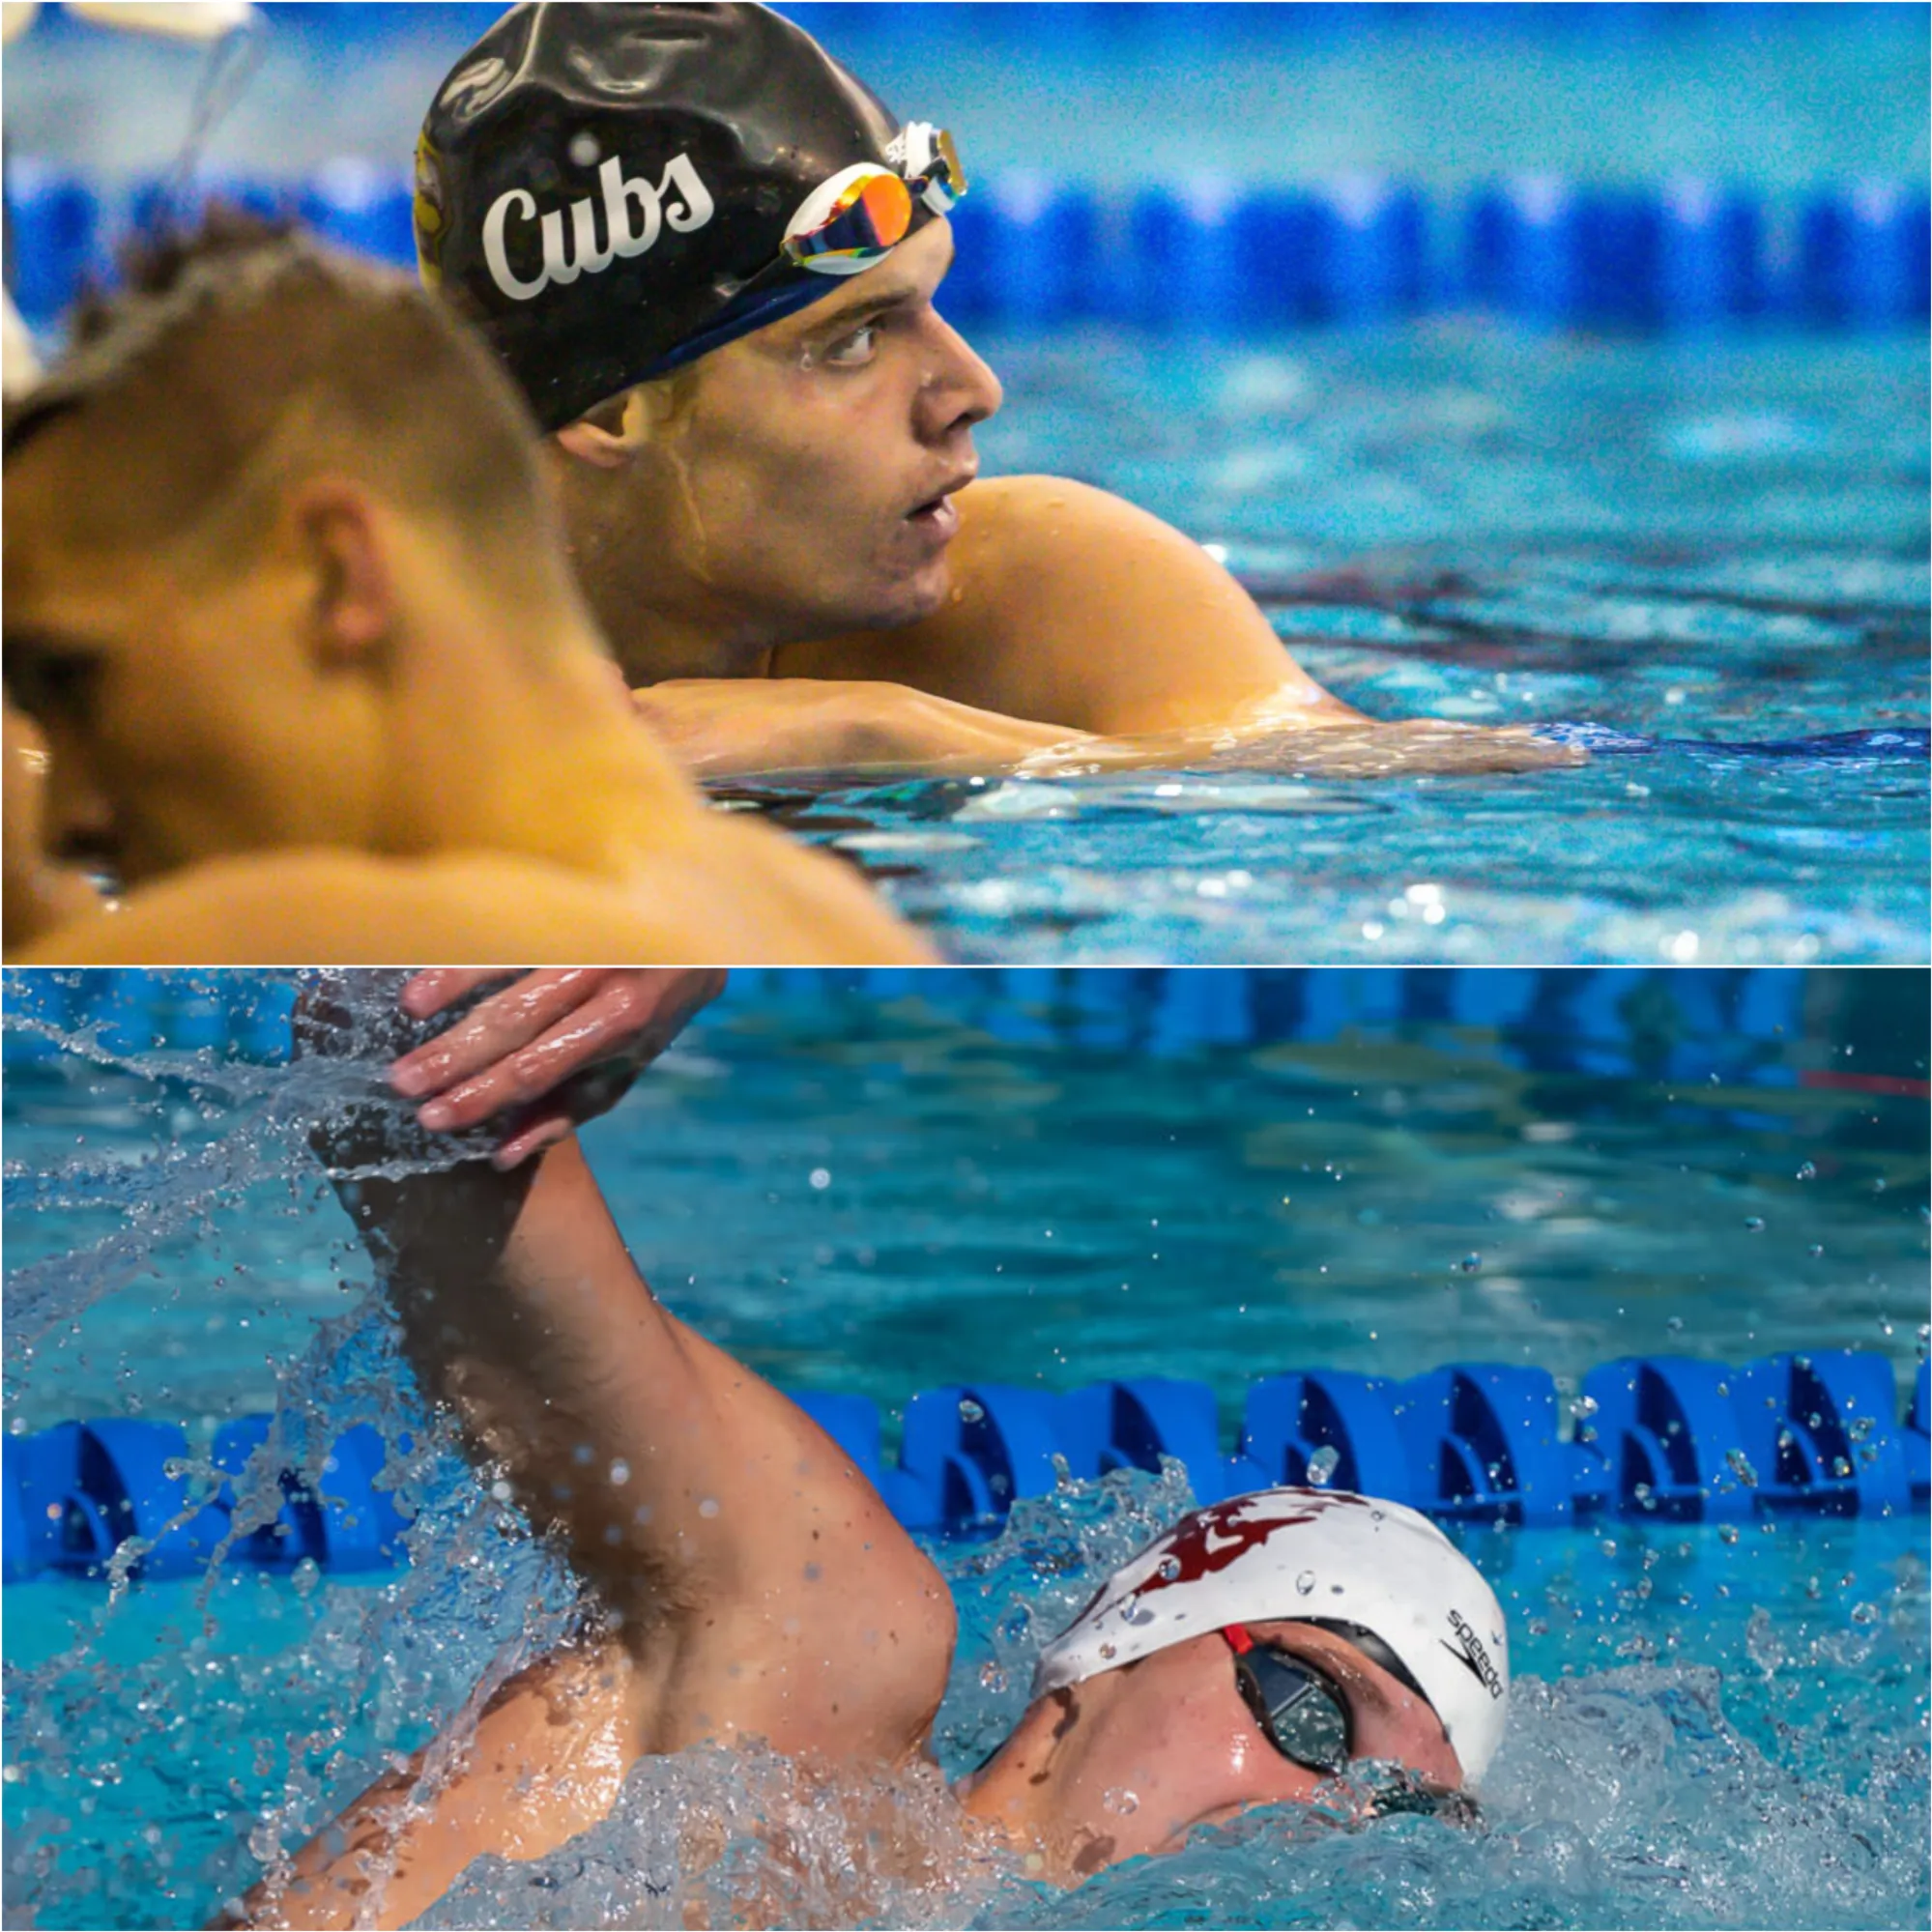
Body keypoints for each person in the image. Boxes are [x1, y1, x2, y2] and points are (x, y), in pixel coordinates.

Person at [232, 968, 1511, 1928]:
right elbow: (393, 1029)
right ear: (1110, 1650)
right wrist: (665, 892)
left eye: (1398, 1818)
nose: (1322, 1818)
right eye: (1310, 1710)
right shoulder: (801, 1688)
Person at [416, 3, 1582, 782]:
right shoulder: (371, 678)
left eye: (929, 302)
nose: (972, 388)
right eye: (851, 340)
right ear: (613, 409)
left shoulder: (1046, 586)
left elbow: (1489, 771)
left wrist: (890, 733)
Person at [2, 218, 928, 966]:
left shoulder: (329, 934)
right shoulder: (839, 927)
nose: (68, 814)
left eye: (78, 681)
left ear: (337, 574)